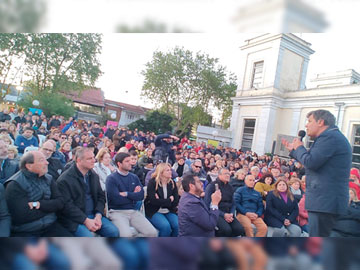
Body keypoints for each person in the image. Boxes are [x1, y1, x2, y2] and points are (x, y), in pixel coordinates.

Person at [282, 109, 352, 236]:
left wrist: (299, 147)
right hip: (326, 201)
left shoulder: (329, 137)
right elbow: (314, 161)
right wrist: (295, 151)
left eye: (309, 121)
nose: (306, 125)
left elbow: (311, 162)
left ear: (320, 122)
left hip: (325, 202)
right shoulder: (332, 137)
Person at [5, 151, 72, 236]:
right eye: (41, 160)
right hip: (27, 231)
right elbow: (21, 217)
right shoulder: (15, 184)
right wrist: (50, 208)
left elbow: (60, 202)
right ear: (29, 166)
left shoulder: (49, 178)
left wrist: (39, 204)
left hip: (51, 226)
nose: (47, 162)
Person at [57, 147, 119, 237]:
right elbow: (67, 206)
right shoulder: (65, 180)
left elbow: (100, 196)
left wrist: (98, 215)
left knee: (113, 232)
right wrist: (85, 220)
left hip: (94, 214)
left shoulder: (93, 175)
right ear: (79, 160)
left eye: (93, 157)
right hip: (75, 219)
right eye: (89, 158)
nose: (94, 160)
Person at [106, 152, 158, 237]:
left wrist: (127, 194)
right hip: (117, 212)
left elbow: (141, 196)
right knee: (126, 235)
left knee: (152, 233)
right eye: (127, 161)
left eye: (130, 160)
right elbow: (116, 199)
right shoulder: (111, 179)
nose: (131, 163)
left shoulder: (134, 177)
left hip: (133, 211)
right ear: (119, 164)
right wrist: (133, 194)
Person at [204, 168, 244, 237]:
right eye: (225, 174)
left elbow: (233, 203)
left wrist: (231, 213)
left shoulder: (230, 187)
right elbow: (207, 204)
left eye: (229, 174)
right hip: (217, 213)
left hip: (228, 212)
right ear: (219, 175)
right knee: (226, 230)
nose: (228, 175)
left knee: (239, 229)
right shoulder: (212, 186)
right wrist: (223, 214)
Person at [145, 163, 179, 237]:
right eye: (167, 170)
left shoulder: (172, 183)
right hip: (154, 210)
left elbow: (176, 201)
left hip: (169, 210)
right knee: (165, 227)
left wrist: (161, 201)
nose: (171, 172)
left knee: (177, 225)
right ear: (161, 172)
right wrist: (169, 200)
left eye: (170, 170)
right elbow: (153, 201)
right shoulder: (153, 182)